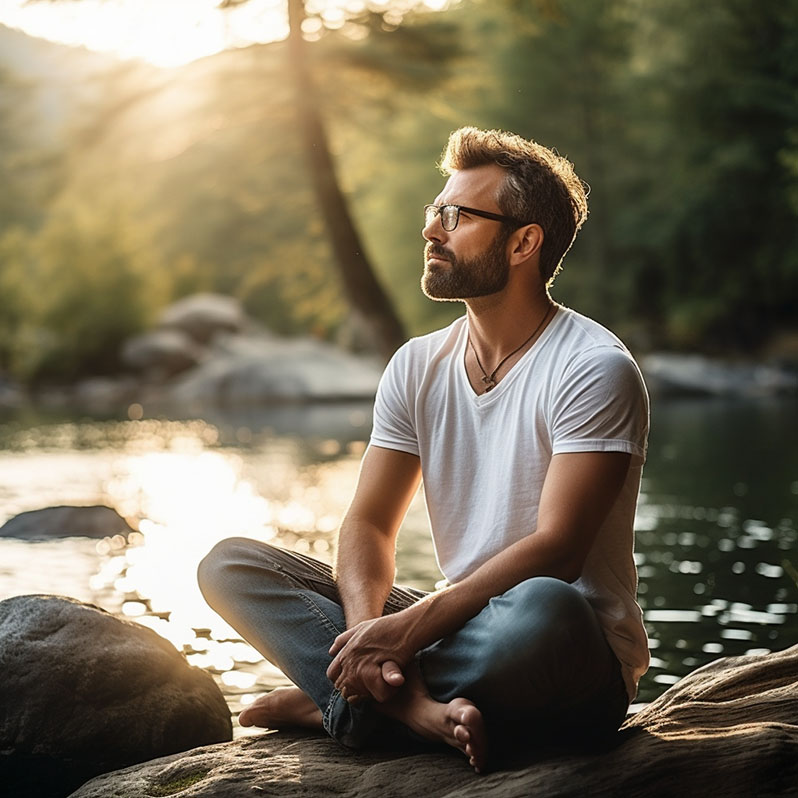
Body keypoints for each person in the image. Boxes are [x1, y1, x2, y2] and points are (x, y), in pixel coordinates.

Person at [197, 126, 650, 774]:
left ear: (523, 243)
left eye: (457, 216)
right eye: (435, 211)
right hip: (462, 627)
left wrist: (407, 631)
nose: (431, 230)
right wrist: (366, 634)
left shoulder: (593, 367)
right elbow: (370, 523)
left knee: (549, 610)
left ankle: (335, 702)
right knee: (229, 565)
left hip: (568, 656)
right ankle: (404, 707)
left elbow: (560, 548)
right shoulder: (416, 365)